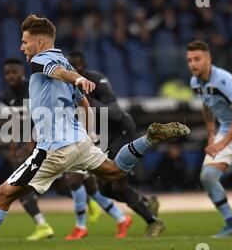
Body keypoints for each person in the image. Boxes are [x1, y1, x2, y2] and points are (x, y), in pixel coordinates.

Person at [0, 14, 190, 250]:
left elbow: (56, 73)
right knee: (113, 171)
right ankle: (149, 137)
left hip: (54, 149)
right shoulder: (65, 60)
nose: (21, 47)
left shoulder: (44, 60)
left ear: (38, 43)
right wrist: (90, 132)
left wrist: (77, 78)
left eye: (24, 42)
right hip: (79, 142)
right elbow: (82, 101)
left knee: (3, 194)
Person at [64, 51, 164, 239]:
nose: (74, 71)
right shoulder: (66, 87)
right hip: (102, 137)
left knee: (116, 184)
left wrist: (89, 102)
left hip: (121, 132)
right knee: (105, 189)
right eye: (70, 67)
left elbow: (116, 113)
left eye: (77, 66)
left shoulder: (96, 81)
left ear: (84, 67)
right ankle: (145, 200)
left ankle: (154, 222)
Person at [187, 40, 232, 238]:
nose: (192, 64)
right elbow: (207, 104)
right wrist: (211, 134)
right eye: (189, 60)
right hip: (226, 135)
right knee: (208, 177)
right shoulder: (195, 82)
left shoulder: (222, 80)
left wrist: (222, 142)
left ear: (208, 59)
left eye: (197, 59)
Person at [0, 57, 55, 241]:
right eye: (7, 73)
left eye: (14, 72)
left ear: (22, 72)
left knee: (18, 184)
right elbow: (17, 120)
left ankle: (89, 197)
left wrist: (32, 142)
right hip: (28, 138)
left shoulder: (33, 90)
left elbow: (42, 116)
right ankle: (42, 225)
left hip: (48, 135)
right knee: (18, 183)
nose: (10, 76)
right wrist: (13, 143)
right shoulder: (6, 96)